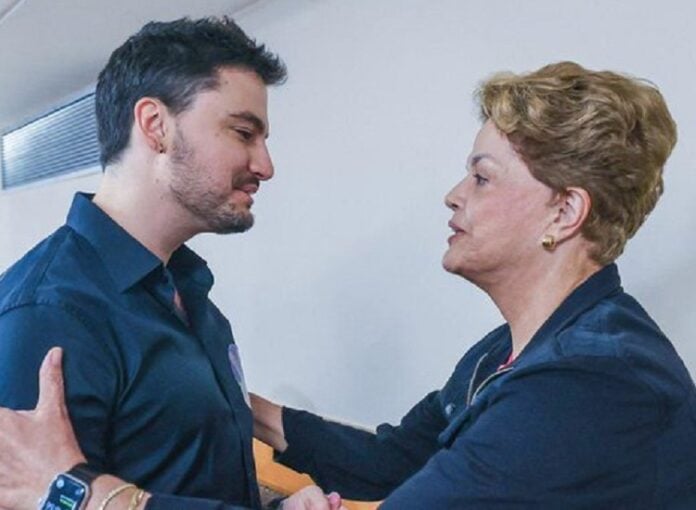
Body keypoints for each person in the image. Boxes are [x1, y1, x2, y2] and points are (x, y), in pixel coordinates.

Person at [1, 61, 695, 509]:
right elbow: (396, 460)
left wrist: (79, 495)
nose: (455, 195)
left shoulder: (593, 382)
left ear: (565, 212)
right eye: (243, 131)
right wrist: (232, 405)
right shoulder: (504, 353)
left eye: (482, 177)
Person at [0, 16, 340, 510]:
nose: (266, 165)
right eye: (244, 132)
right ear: (156, 126)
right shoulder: (49, 313)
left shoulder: (190, 292)